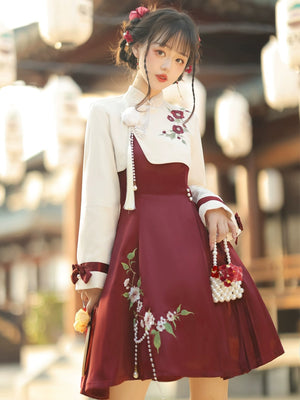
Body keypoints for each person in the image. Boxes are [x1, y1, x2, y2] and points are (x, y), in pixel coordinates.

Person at [71, 4, 284, 400]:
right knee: (129, 380)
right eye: (162, 52)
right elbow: (98, 200)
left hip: (192, 256)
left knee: (211, 372)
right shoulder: (105, 113)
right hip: (139, 258)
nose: (170, 64)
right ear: (136, 47)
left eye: (180, 58)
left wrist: (213, 206)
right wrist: (93, 275)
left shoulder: (181, 117)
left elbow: (197, 185)